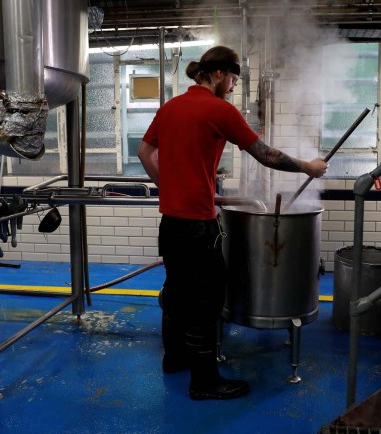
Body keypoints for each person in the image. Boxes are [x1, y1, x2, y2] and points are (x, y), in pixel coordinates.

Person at [138, 45, 327, 401]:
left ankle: (174, 359)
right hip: (198, 225)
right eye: (235, 79)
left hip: (171, 224)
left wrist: (168, 185)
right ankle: (205, 381)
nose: (234, 87)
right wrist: (308, 167)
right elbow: (265, 154)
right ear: (221, 74)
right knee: (207, 300)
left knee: (177, 292)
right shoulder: (219, 110)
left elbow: (144, 152)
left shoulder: (170, 107)